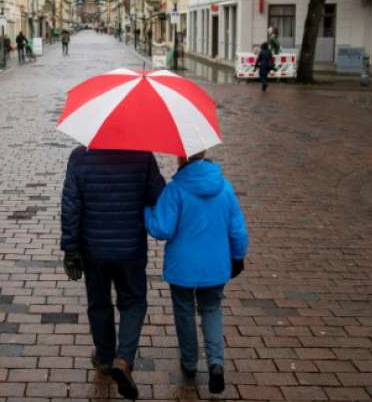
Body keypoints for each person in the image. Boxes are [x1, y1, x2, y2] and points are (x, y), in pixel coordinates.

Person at [61, 146, 166, 400]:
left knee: (99, 303)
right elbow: (159, 197)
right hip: (130, 247)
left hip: (93, 248)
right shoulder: (143, 156)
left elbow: (71, 205)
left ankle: (105, 357)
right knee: (134, 301)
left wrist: (71, 247)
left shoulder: (79, 156)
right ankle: (124, 358)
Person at [144, 152, 247, 394]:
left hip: (183, 267)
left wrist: (148, 211)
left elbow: (162, 229)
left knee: (184, 312)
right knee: (212, 310)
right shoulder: (224, 187)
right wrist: (238, 256)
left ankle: (190, 363)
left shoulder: (175, 190)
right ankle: (216, 364)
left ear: (181, 158)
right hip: (216, 265)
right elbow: (237, 228)